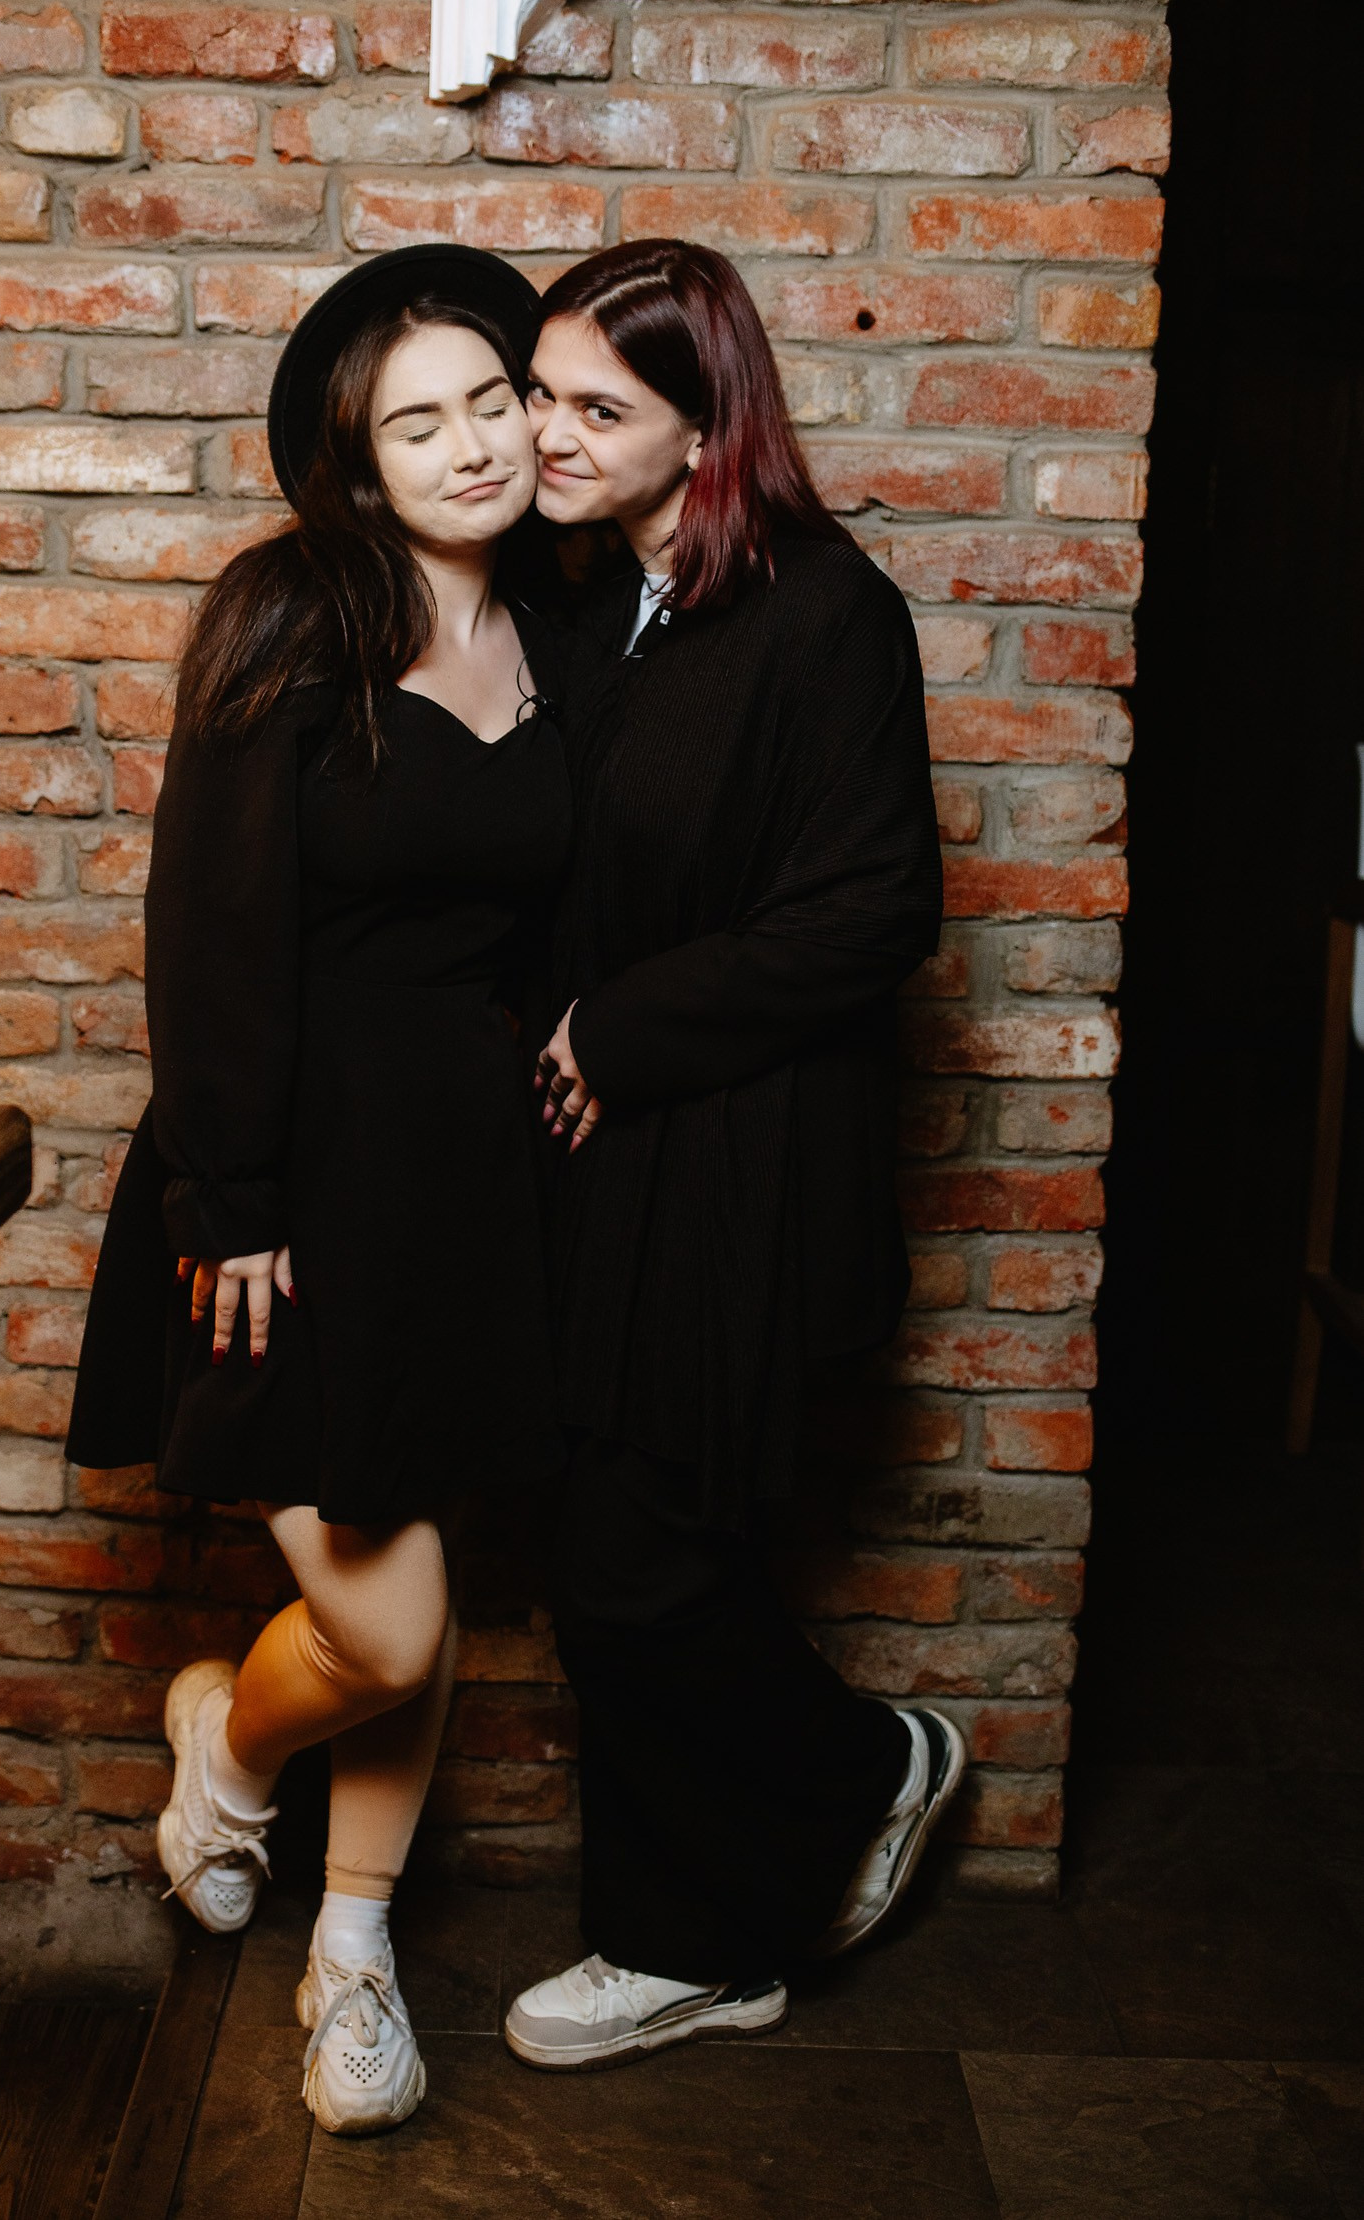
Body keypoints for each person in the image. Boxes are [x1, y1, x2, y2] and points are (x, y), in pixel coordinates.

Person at [66, 245, 570, 2136]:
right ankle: (225, 1748)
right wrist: (231, 1196)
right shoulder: (289, 614)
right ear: (358, 462)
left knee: (415, 1541)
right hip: (293, 1181)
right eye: (416, 423)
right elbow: (206, 921)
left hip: (470, 1187)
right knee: (388, 1622)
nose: (470, 446)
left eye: (493, 401)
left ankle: (351, 1951)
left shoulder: (567, 633)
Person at [502, 238, 960, 2072]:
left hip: (741, 1172)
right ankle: (733, 1916)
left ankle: (798, 1834)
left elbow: (876, 907)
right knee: (614, 1551)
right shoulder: (589, 602)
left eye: (595, 408)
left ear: (706, 433)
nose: (547, 433)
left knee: (639, 1557)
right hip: (609, 1175)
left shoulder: (827, 613)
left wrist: (618, 1031)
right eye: (539, 394)